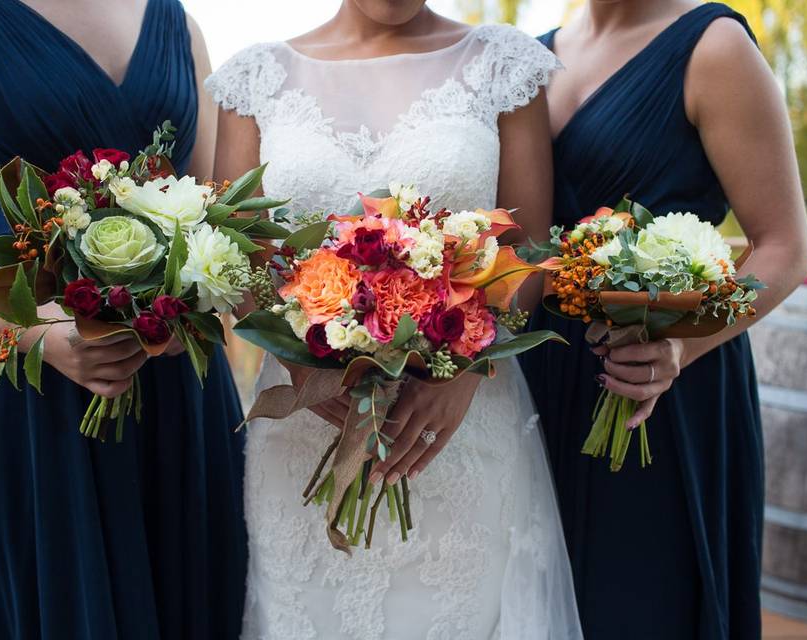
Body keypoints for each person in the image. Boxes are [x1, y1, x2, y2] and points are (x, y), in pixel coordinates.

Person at [208, 1, 582, 638]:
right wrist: (306, 369)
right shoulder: (253, 78)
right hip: (305, 429)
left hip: (454, 426)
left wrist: (464, 371)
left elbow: (530, 250)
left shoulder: (503, 63)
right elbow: (233, 256)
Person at [0, 0, 247, 636]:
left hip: (169, 387)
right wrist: (35, 332)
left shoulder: (178, 23)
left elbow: (211, 216)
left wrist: (179, 316)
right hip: (10, 392)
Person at [519, 2, 807, 638]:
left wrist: (680, 347)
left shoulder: (714, 48)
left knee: (641, 604)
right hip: (540, 379)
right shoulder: (530, 58)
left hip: (660, 385)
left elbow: (785, 245)